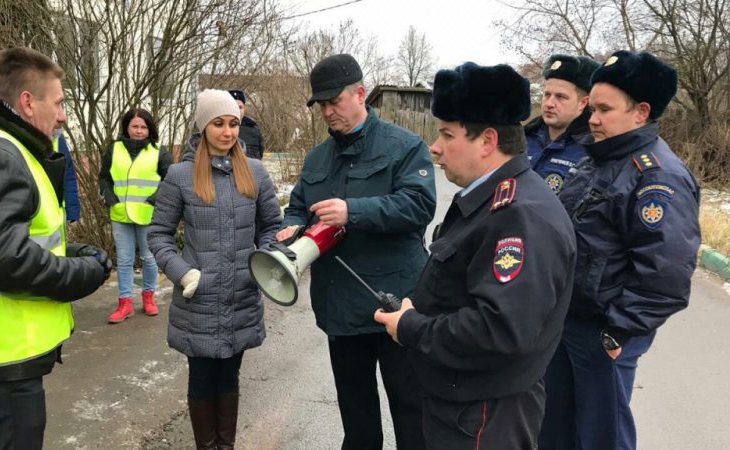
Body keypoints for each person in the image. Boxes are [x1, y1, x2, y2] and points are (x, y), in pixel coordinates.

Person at [374, 62, 577, 449]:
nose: (434, 147)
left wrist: (412, 327)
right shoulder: (490, 198)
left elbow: (498, 330)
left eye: (447, 134)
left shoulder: (520, 215)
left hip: (483, 417)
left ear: (487, 141)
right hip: (462, 404)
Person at [0, 46, 111, 449]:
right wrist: (84, 273)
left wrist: (70, 253)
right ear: (28, 103)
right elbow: (5, 261)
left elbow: (12, 241)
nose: (63, 114)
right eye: (59, 102)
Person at [538, 51, 701, 450]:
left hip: (604, 332)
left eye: (604, 110)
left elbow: (667, 274)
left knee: (600, 437)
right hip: (567, 322)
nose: (592, 119)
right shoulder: (599, 160)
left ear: (641, 112)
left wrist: (619, 333)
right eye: (592, 108)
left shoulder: (657, 177)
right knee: (554, 431)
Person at [276, 53, 436, 450]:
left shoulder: (405, 147)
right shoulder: (316, 159)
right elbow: (297, 205)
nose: (328, 111)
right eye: (322, 105)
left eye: (335, 102)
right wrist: (290, 226)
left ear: (360, 94)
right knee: (357, 417)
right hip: (341, 310)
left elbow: (419, 206)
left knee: (411, 412)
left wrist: (354, 211)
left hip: (395, 306)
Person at [148, 89, 281, 450]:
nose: (228, 132)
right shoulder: (180, 175)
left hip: (241, 295)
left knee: (230, 379)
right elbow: (158, 233)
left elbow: (271, 225)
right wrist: (181, 271)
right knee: (203, 380)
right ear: (203, 126)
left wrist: (264, 259)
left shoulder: (254, 172)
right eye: (219, 124)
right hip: (199, 300)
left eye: (233, 124)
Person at [99, 108, 173, 323]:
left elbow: (170, 180)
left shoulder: (159, 151)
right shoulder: (114, 149)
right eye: (135, 126)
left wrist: (154, 199)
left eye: (143, 127)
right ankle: (125, 303)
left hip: (147, 214)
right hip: (120, 213)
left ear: (149, 129)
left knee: (149, 258)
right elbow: (104, 178)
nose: (139, 131)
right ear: (127, 127)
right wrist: (109, 197)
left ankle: (148, 297)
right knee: (124, 260)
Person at [524, 54, 600, 193]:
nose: (549, 104)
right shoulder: (524, 138)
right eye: (547, 95)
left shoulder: (592, 149)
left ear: (583, 103)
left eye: (560, 97)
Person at [53, 128, 81, 222]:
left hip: (57, 215)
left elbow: (68, 175)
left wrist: (72, 212)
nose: (62, 117)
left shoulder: (57, 137)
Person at [228, 89, 265, 159]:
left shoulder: (253, 128)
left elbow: (260, 153)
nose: (237, 110)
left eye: (240, 107)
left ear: (244, 109)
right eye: (234, 106)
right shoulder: (219, 129)